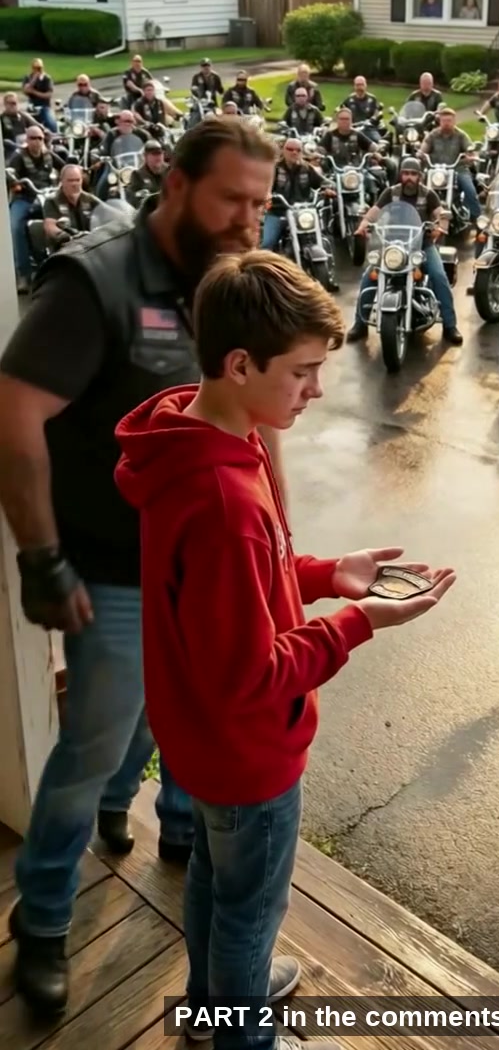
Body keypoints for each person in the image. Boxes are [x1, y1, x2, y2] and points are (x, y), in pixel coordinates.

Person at [113, 252, 455, 1050]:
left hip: (198, 738)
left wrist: (330, 574)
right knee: (250, 914)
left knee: (214, 878)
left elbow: (236, 589)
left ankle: (211, 1005)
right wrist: (361, 620)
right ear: (240, 364)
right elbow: (253, 673)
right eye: (302, 372)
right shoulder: (225, 498)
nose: (317, 389)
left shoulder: (196, 439)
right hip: (247, 754)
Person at [0, 117, 290, 1016]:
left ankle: (171, 823)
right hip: (118, 574)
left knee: (186, 719)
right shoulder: (96, 281)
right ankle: (43, 918)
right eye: (232, 199)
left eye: (261, 202)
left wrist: (279, 540)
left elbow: (255, 414)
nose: (249, 219)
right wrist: (41, 557)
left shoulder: (232, 277)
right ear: (175, 186)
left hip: (206, 568)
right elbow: (14, 414)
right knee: (92, 746)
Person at [346, 158, 463, 347]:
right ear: (401, 175)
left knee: (438, 275)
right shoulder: (391, 193)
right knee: (369, 276)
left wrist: (440, 227)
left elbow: (441, 214)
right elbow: (374, 212)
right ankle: (360, 324)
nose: (409, 178)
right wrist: (363, 225)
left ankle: (450, 326)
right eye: (406, 173)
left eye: (413, 174)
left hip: (422, 245)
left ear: (420, 176)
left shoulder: (428, 194)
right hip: (392, 245)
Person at [262, 138, 336, 291]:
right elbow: (265, 186)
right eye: (290, 149)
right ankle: (264, 281)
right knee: (268, 243)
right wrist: (267, 194)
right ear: (283, 150)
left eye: (298, 150)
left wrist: (328, 188)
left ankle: (327, 276)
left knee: (324, 239)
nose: (294, 152)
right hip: (279, 212)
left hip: (302, 214)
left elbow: (323, 182)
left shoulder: (306, 168)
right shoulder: (274, 169)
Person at [7, 126, 66, 292]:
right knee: (16, 227)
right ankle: (24, 275)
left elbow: (65, 167)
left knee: (63, 222)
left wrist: (73, 172)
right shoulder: (18, 156)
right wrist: (14, 182)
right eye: (33, 138)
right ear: (27, 140)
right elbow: (10, 173)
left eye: (40, 138)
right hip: (24, 199)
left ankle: (64, 265)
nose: (37, 141)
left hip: (46, 198)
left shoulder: (49, 154)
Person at [420, 106, 480, 220]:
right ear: (439, 121)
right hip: (436, 171)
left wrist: (471, 156)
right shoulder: (433, 135)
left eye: (449, 120)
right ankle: (419, 213)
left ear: (454, 121)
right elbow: (424, 147)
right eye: (444, 121)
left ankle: (475, 218)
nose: (446, 123)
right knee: (419, 187)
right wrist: (421, 153)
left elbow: (470, 149)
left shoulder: (461, 135)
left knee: (470, 190)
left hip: (457, 169)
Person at [42, 165, 94, 250]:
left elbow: (105, 212)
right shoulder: (52, 200)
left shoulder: (89, 199)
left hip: (90, 245)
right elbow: (50, 225)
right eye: (70, 180)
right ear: (62, 181)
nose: (74, 184)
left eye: (77, 180)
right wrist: (62, 235)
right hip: (65, 249)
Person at [126, 138, 168, 206]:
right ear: (145, 156)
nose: (158, 157)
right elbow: (132, 198)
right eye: (154, 154)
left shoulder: (170, 170)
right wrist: (139, 196)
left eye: (160, 153)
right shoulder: (138, 175)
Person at [22, 58, 57, 132]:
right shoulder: (28, 77)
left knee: (51, 124)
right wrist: (34, 79)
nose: (38, 70)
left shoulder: (47, 78)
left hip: (44, 106)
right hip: (32, 107)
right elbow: (25, 90)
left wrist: (34, 92)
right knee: (24, 123)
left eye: (39, 68)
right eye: (35, 68)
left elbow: (48, 94)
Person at [1, 91, 36, 157]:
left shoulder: (23, 116)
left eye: (14, 103)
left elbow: (37, 126)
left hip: (27, 145)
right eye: (9, 103)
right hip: (11, 149)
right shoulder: (1, 119)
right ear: (5, 104)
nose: (12, 106)